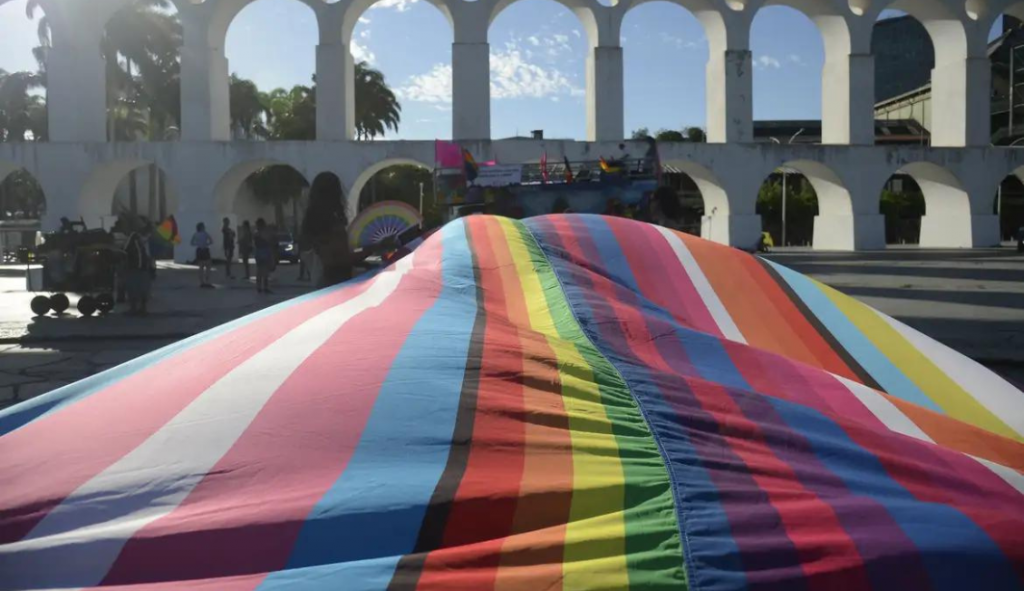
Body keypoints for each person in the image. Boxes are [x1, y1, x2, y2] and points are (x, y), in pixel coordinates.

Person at [301, 173, 353, 287]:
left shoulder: (312, 219)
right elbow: (340, 259)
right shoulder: (331, 222)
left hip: (322, 283)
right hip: (335, 283)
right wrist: (373, 248)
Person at [123, 222, 154, 316]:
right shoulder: (135, 237)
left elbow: (149, 255)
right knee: (135, 288)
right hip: (135, 267)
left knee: (142, 288)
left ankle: (141, 308)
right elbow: (126, 250)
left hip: (142, 267)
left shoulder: (145, 240)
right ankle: (136, 308)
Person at [253, 218, 275, 293]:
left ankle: (259, 287)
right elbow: (268, 242)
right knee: (264, 271)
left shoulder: (257, 233)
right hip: (264, 252)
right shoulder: (263, 233)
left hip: (260, 252)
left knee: (260, 270)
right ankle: (264, 287)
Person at [191, 222, 214, 288]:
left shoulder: (195, 234)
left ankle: (201, 282)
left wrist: (198, 244)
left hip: (199, 250)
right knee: (208, 266)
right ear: (202, 227)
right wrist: (206, 244)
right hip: (205, 250)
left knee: (200, 267)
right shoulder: (205, 234)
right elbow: (211, 241)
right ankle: (207, 281)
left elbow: (192, 243)